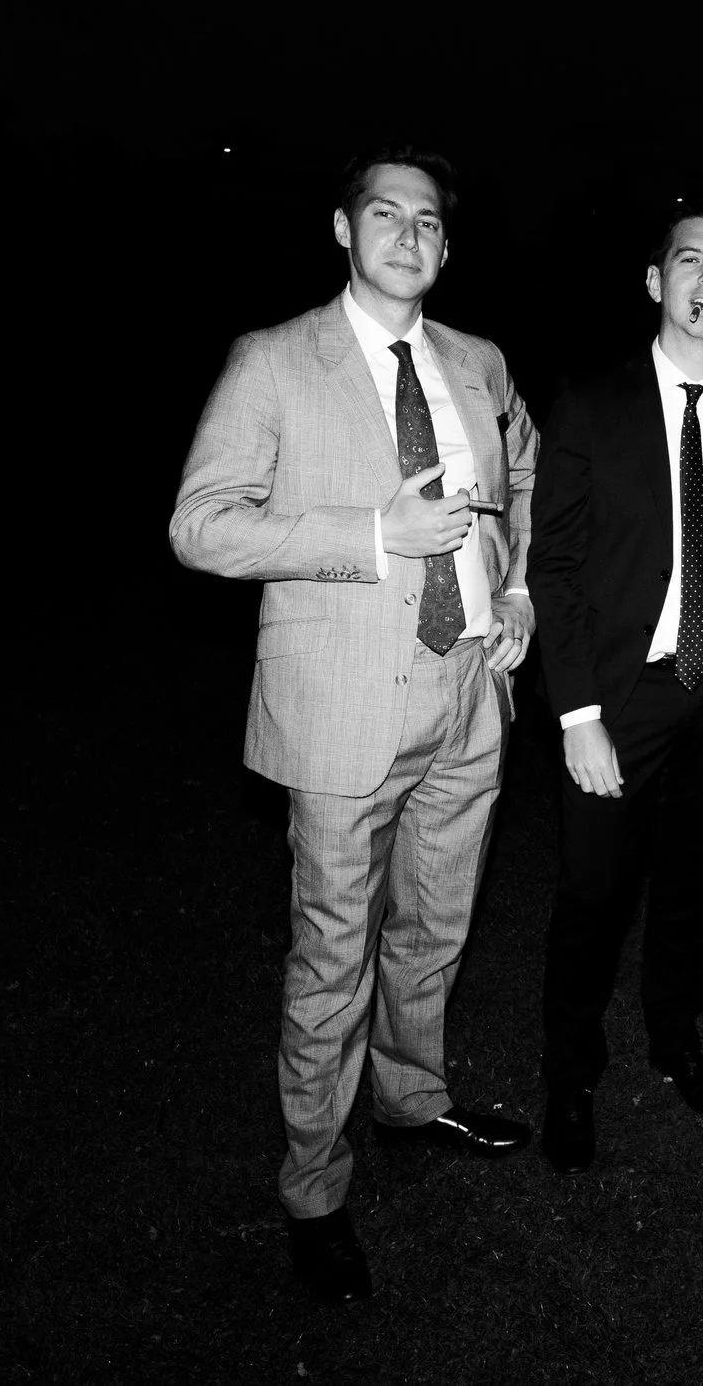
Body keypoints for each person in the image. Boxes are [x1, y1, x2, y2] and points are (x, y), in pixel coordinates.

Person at [169, 148, 538, 1308]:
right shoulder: (276, 360)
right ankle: (314, 1188)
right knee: (334, 956)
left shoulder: (478, 362)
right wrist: (376, 534)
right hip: (342, 708)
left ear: (445, 244)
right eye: (385, 213)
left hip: (470, 692)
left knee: (435, 924)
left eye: (428, 220)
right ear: (343, 230)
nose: (408, 233)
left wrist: (515, 589)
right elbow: (201, 525)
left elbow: (520, 478)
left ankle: (412, 1096)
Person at [528, 201, 703, 1173]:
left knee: (690, 882)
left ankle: (674, 1037)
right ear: (655, 281)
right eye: (688, 260)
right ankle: (571, 1070)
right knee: (593, 892)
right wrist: (577, 714)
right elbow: (552, 566)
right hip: (617, 700)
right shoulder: (592, 404)